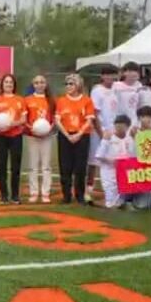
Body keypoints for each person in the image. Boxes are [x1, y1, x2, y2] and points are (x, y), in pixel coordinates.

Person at [55, 73, 95, 205]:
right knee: (65, 166)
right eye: (66, 84)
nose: (68, 86)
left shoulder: (86, 100)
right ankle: (66, 195)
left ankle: (80, 195)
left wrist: (79, 134)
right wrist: (67, 135)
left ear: (78, 85)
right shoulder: (61, 100)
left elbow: (89, 121)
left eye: (71, 84)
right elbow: (58, 120)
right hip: (65, 136)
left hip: (82, 136)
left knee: (80, 167)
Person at [0, 73, 26, 204]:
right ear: (2, 85)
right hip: (0, 137)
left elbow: (23, 119)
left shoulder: (20, 100)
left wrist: (11, 124)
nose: (8, 84)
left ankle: (15, 196)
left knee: (15, 167)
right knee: (2, 166)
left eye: (11, 82)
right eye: (6, 82)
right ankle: (4, 196)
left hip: (16, 136)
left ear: (14, 85)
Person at [89, 66, 120, 196]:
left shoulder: (116, 89)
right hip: (100, 131)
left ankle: (113, 188)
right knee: (94, 160)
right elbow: (94, 113)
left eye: (112, 75)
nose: (109, 78)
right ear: (102, 77)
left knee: (113, 159)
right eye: (106, 75)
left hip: (113, 131)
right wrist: (101, 133)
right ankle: (88, 190)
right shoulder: (97, 91)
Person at [24, 74, 54, 204]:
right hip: (32, 136)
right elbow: (24, 119)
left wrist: (49, 129)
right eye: (36, 82)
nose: (39, 85)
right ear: (33, 84)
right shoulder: (27, 100)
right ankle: (34, 192)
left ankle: (45, 192)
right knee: (33, 165)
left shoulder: (51, 100)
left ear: (45, 84)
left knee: (46, 166)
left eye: (42, 82)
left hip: (47, 136)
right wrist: (31, 128)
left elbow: (55, 119)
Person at [95, 114, 134, 210]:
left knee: (122, 200)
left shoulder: (129, 139)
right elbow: (99, 155)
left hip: (124, 172)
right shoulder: (109, 137)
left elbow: (133, 156)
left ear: (127, 127)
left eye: (122, 126)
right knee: (112, 203)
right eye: (117, 126)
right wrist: (111, 161)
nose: (119, 128)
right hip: (109, 171)